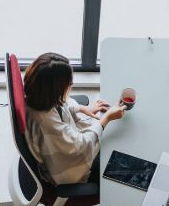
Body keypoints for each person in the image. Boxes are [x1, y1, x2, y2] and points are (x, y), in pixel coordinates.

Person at [21, 52, 126, 184]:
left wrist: (82, 108)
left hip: (57, 148)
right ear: (55, 90)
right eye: (68, 83)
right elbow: (81, 146)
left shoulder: (37, 95)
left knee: (113, 142)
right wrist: (107, 118)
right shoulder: (46, 122)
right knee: (117, 162)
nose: (70, 85)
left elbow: (61, 103)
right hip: (65, 170)